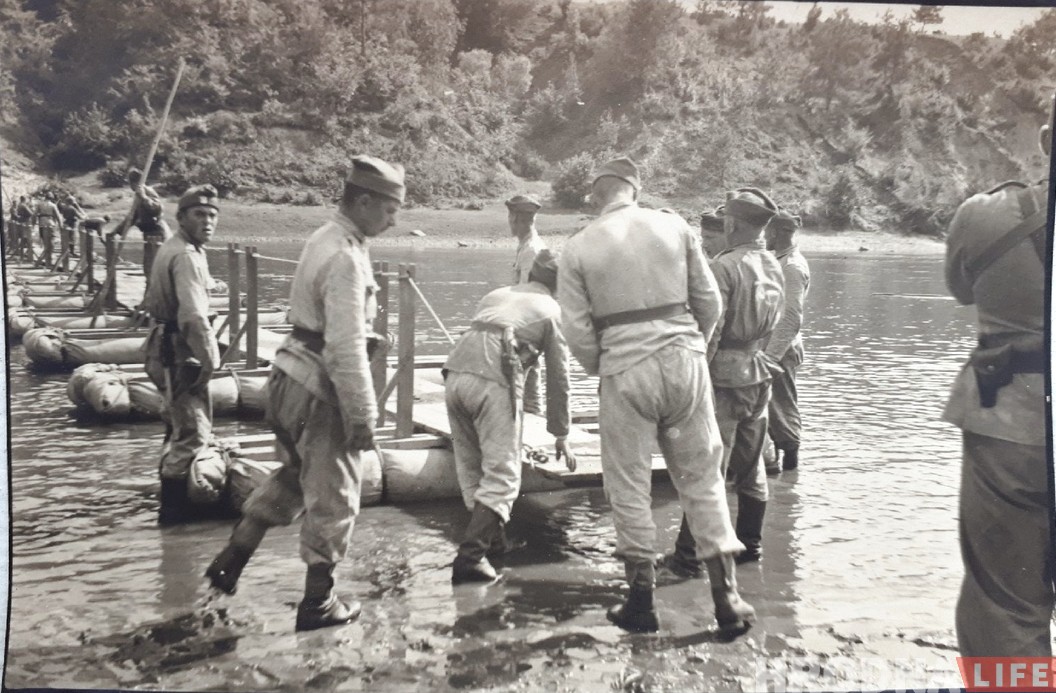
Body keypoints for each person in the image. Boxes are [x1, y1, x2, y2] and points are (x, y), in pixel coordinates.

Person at [204, 155, 404, 633]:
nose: (394, 220)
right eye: (390, 209)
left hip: (287, 377)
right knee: (337, 495)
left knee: (295, 477)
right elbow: (345, 345)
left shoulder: (324, 238)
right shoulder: (346, 257)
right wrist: (363, 414)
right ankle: (318, 602)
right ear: (362, 201)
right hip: (320, 388)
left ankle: (232, 557)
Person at [559, 157, 754, 636]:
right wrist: (692, 346)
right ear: (636, 190)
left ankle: (640, 603)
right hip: (685, 358)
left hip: (625, 368)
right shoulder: (674, 226)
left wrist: (605, 367)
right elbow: (709, 301)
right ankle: (727, 598)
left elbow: (577, 331)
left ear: (595, 196)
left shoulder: (578, 246)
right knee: (703, 476)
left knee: (628, 484)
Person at [943, 121, 1053, 656]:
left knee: (1004, 607)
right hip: (1014, 426)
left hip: (1012, 424)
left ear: (1046, 141)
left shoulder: (985, 215)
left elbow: (961, 289)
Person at [444, 248, 576, 584]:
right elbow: (559, 377)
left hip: (455, 376)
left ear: (531, 274)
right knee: (503, 475)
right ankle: (470, 557)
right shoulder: (551, 311)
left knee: (472, 467)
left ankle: (495, 545)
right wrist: (561, 433)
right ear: (561, 284)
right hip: (492, 381)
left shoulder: (497, 294)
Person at [142, 185, 223, 526]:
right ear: (181, 218)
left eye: (212, 215)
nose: (207, 221)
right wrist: (211, 360)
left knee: (175, 426)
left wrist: (211, 285)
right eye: (199, 214)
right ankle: (173, 519)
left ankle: (168, 497)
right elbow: (192, 317)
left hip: (162, 347)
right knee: (193, 435)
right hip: (180, 353)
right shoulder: (187, 255)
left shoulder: (175, 247)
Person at [763, 209, 810, 472]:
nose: (763, 236)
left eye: (767, 231)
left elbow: (791, 317)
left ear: (775, 232)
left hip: (781, 349)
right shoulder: (779, 260)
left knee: (782, 410)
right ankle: (783, 480)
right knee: (772, 409)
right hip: (773, 346)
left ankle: (790, 467)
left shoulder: (791, 267)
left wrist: (770, 357)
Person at [508, 193, 547, 414]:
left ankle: (533, 420)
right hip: (527, 323)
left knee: (528, 381)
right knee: (528, 379)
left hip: (529, 325)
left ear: (515, 218)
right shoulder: (525, 247)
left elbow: (528, 295)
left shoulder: (531, 250)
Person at [111, 167, 172, 290]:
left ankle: (154, 296)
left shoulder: (147, 191)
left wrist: (144, 197)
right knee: (148, 267)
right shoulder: (138, 196)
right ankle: (150, 295)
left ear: (134, 182)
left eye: (130, 182)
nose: (130, 186)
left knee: (153, 267)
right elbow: (132, 217)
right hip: (149, 234)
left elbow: (157, 208)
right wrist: (117, 231)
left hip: (157, 234)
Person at [34, 191, 62, 266]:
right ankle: (47, 262)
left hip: (41, 224)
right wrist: (61, 226)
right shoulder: (53, 205)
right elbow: (58, 216)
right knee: (51, 244)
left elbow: (34, 215)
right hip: (50, 224)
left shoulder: (39, 204)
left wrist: (33, 224)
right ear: (51, 198)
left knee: (46, 244)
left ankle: (46, 262)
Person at [59, 193, 87, 259]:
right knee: (72, 239)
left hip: (66, 223)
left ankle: (66, 252)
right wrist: (85, 215)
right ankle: (72, 252)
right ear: (72, 202)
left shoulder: (64, 208)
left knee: (66, 238)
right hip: (72, 224)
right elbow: (80, 217)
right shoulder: (72, 209)